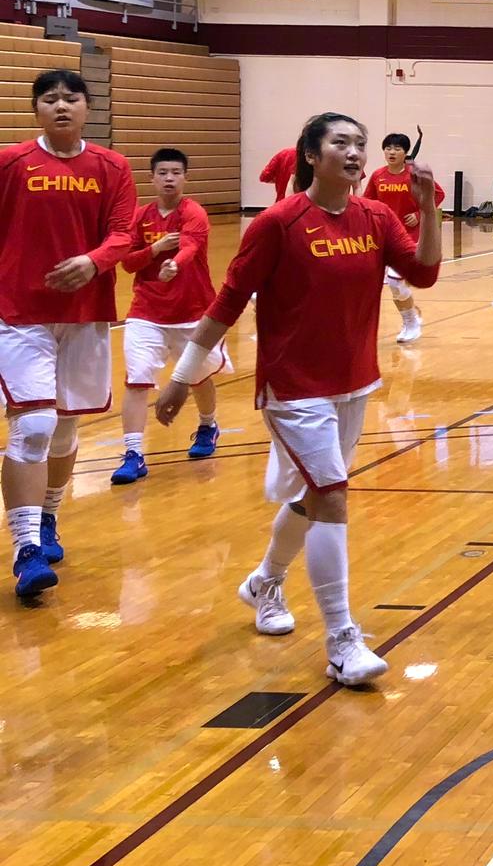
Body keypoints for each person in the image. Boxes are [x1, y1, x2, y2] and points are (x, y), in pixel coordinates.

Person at [156, 112, 442, 687]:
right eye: (342, 142)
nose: (357, 152)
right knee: (332, 498)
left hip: (355, 381)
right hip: (293, 387)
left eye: (361, 143)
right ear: (311, 154)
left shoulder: (376, 216)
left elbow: (424, 272)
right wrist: (183, 378)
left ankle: (265, 581)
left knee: (313, 500)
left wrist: (429, 208)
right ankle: (342, 641)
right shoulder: (279, 223)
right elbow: (229, 300)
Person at [1, 70, 138, 600]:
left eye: (71, 98)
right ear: (36, 109)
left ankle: (50, 517)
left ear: (88, 108)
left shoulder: (111, 166)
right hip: (19, 313)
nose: (61, 106)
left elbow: (123, 233)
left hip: (85, 313)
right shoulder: (11, 163)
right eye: (50, 99)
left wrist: (93, 261)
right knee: (32, 425)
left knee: (63, 430)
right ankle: (25, 548)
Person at [110, 148, 229, 485]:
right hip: (146, 311)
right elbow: (129, 262)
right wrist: (155, 250)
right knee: (137, 378)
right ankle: (133, 453)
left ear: (185, 177)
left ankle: (207, 425)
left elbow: (190, 246)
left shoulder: (194, 213)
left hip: (193, 312)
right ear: (152, 177)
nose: (169, 178)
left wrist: (175, 263)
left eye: (176, 172)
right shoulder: (140, 216)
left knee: (199, 378)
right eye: (163, 172)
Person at [365, 133, 443, 344]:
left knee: (395, 281)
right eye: (388, 148)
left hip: (410, 235)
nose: (392, 152)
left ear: (405, 152)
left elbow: (438, 194)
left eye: (397, 148)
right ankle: (409, 314)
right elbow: (367, 202)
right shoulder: (377, 176)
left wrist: (419, 214)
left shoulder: (414, 175)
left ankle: (411, 322)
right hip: (384, 236)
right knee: (390, 286)